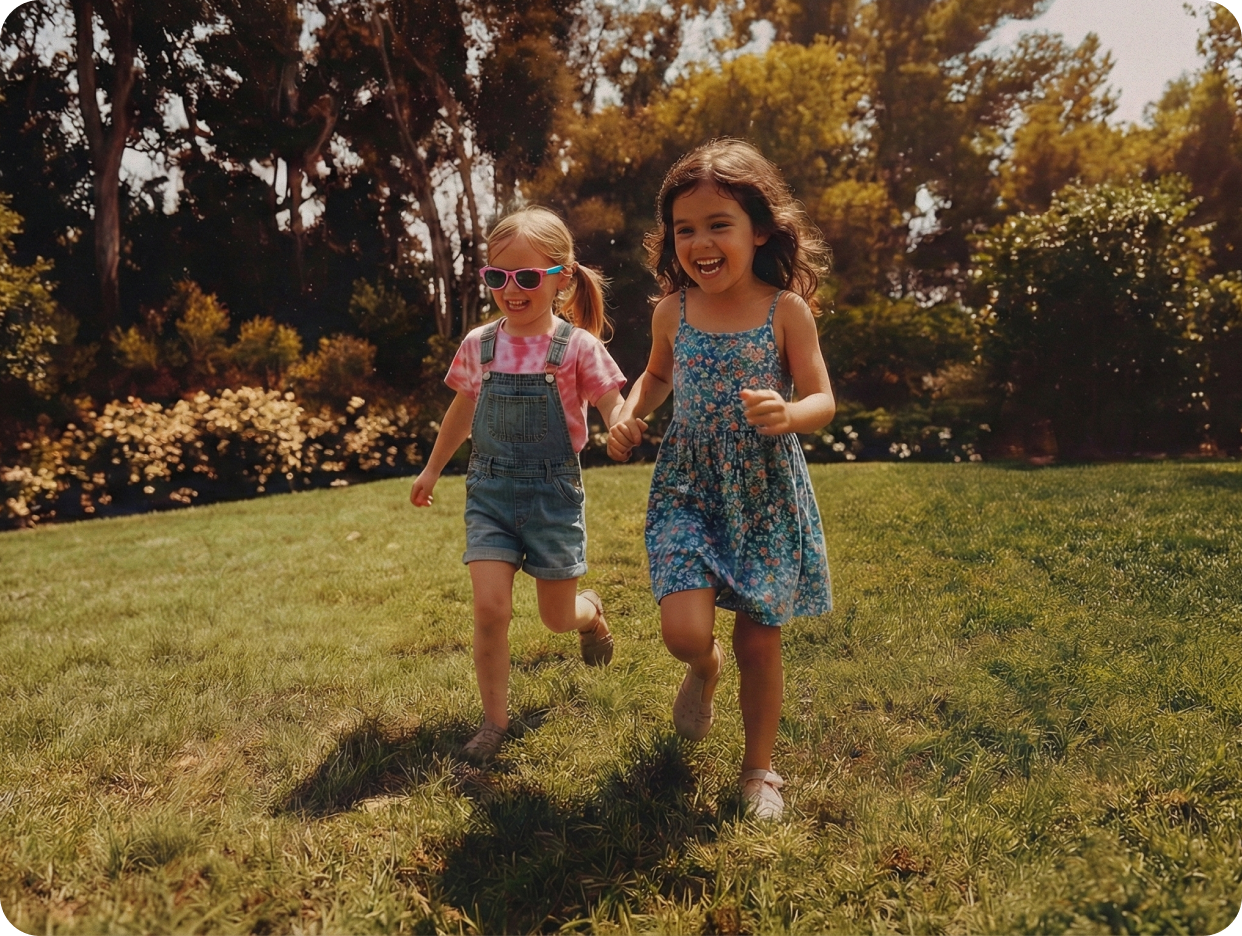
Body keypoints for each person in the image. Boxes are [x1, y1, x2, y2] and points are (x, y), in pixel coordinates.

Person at [608, 140, 834, 819]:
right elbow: (654, 375)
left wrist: (790, 412)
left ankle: (759, 772)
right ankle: (701, 670)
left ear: (759, 229)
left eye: (718, 225)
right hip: (688, 485)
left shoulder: (785, 311)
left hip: (764, 494)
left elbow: (823, 399)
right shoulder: (672, 311)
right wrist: (627, 411)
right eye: (685, 230)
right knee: (683, 630)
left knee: (760, 640)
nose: (700, 243)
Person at [412, 206, 627, 764]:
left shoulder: (577, 346)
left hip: (553, 496)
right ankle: (493, 722)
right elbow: (463, 409)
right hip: (490, 494)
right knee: (490, 608)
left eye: (528, 277)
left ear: (560, 278)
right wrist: (433, 468)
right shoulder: (480, 344)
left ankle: (590, 613)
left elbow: (609, 397)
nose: (512, 289)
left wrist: (621, 422)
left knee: (556, 619)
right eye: (498, 276)